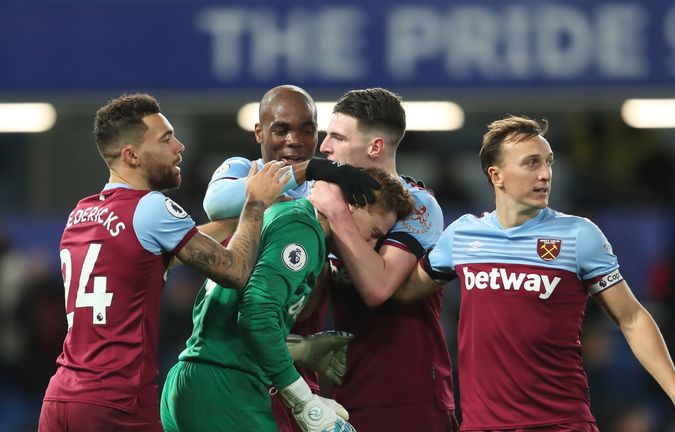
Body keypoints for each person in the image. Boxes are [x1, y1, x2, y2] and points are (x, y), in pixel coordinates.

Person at [393, 115, 675, 432]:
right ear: (497, 176)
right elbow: (402, 291)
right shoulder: (462, 235)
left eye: (548, 162)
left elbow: (631, 318)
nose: (546, 174)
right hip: (482, 425)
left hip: (560, 423)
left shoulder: (579, 235)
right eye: (531, 163)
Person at [38, 93, 291, 432]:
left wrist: (243, 216)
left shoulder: (81, 212)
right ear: (132, 156)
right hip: (116, 403)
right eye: (166, 138)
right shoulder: (152, 207)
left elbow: (159, 254)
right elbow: (235, 271)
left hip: (61, 399)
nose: (180, 146)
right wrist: (256, 203)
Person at [159, 169, 415, 432]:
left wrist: (301, 357)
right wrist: (302, 400)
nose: (371, 245)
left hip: (196, 379)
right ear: (353, 205)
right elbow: (256, 315)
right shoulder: (303, 230)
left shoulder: (283, 216)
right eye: (374, 232)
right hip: (226, 389)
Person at [201, 84, 372, 431]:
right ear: (259, 132)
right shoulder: (241, 168)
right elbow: (215, 203)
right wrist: (308, 171)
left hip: (291, 362)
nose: (295, 140)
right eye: (281, 130)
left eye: (307, 130)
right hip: (235, 364)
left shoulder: (329, 189)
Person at [311, 88, 457, 431]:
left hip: (411, 396)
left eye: (337, 137)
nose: (324, 147)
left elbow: (378, 288)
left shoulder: (418, 205)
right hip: (346, 395)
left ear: (375, 147)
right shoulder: (329, 200)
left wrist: (335, 212)